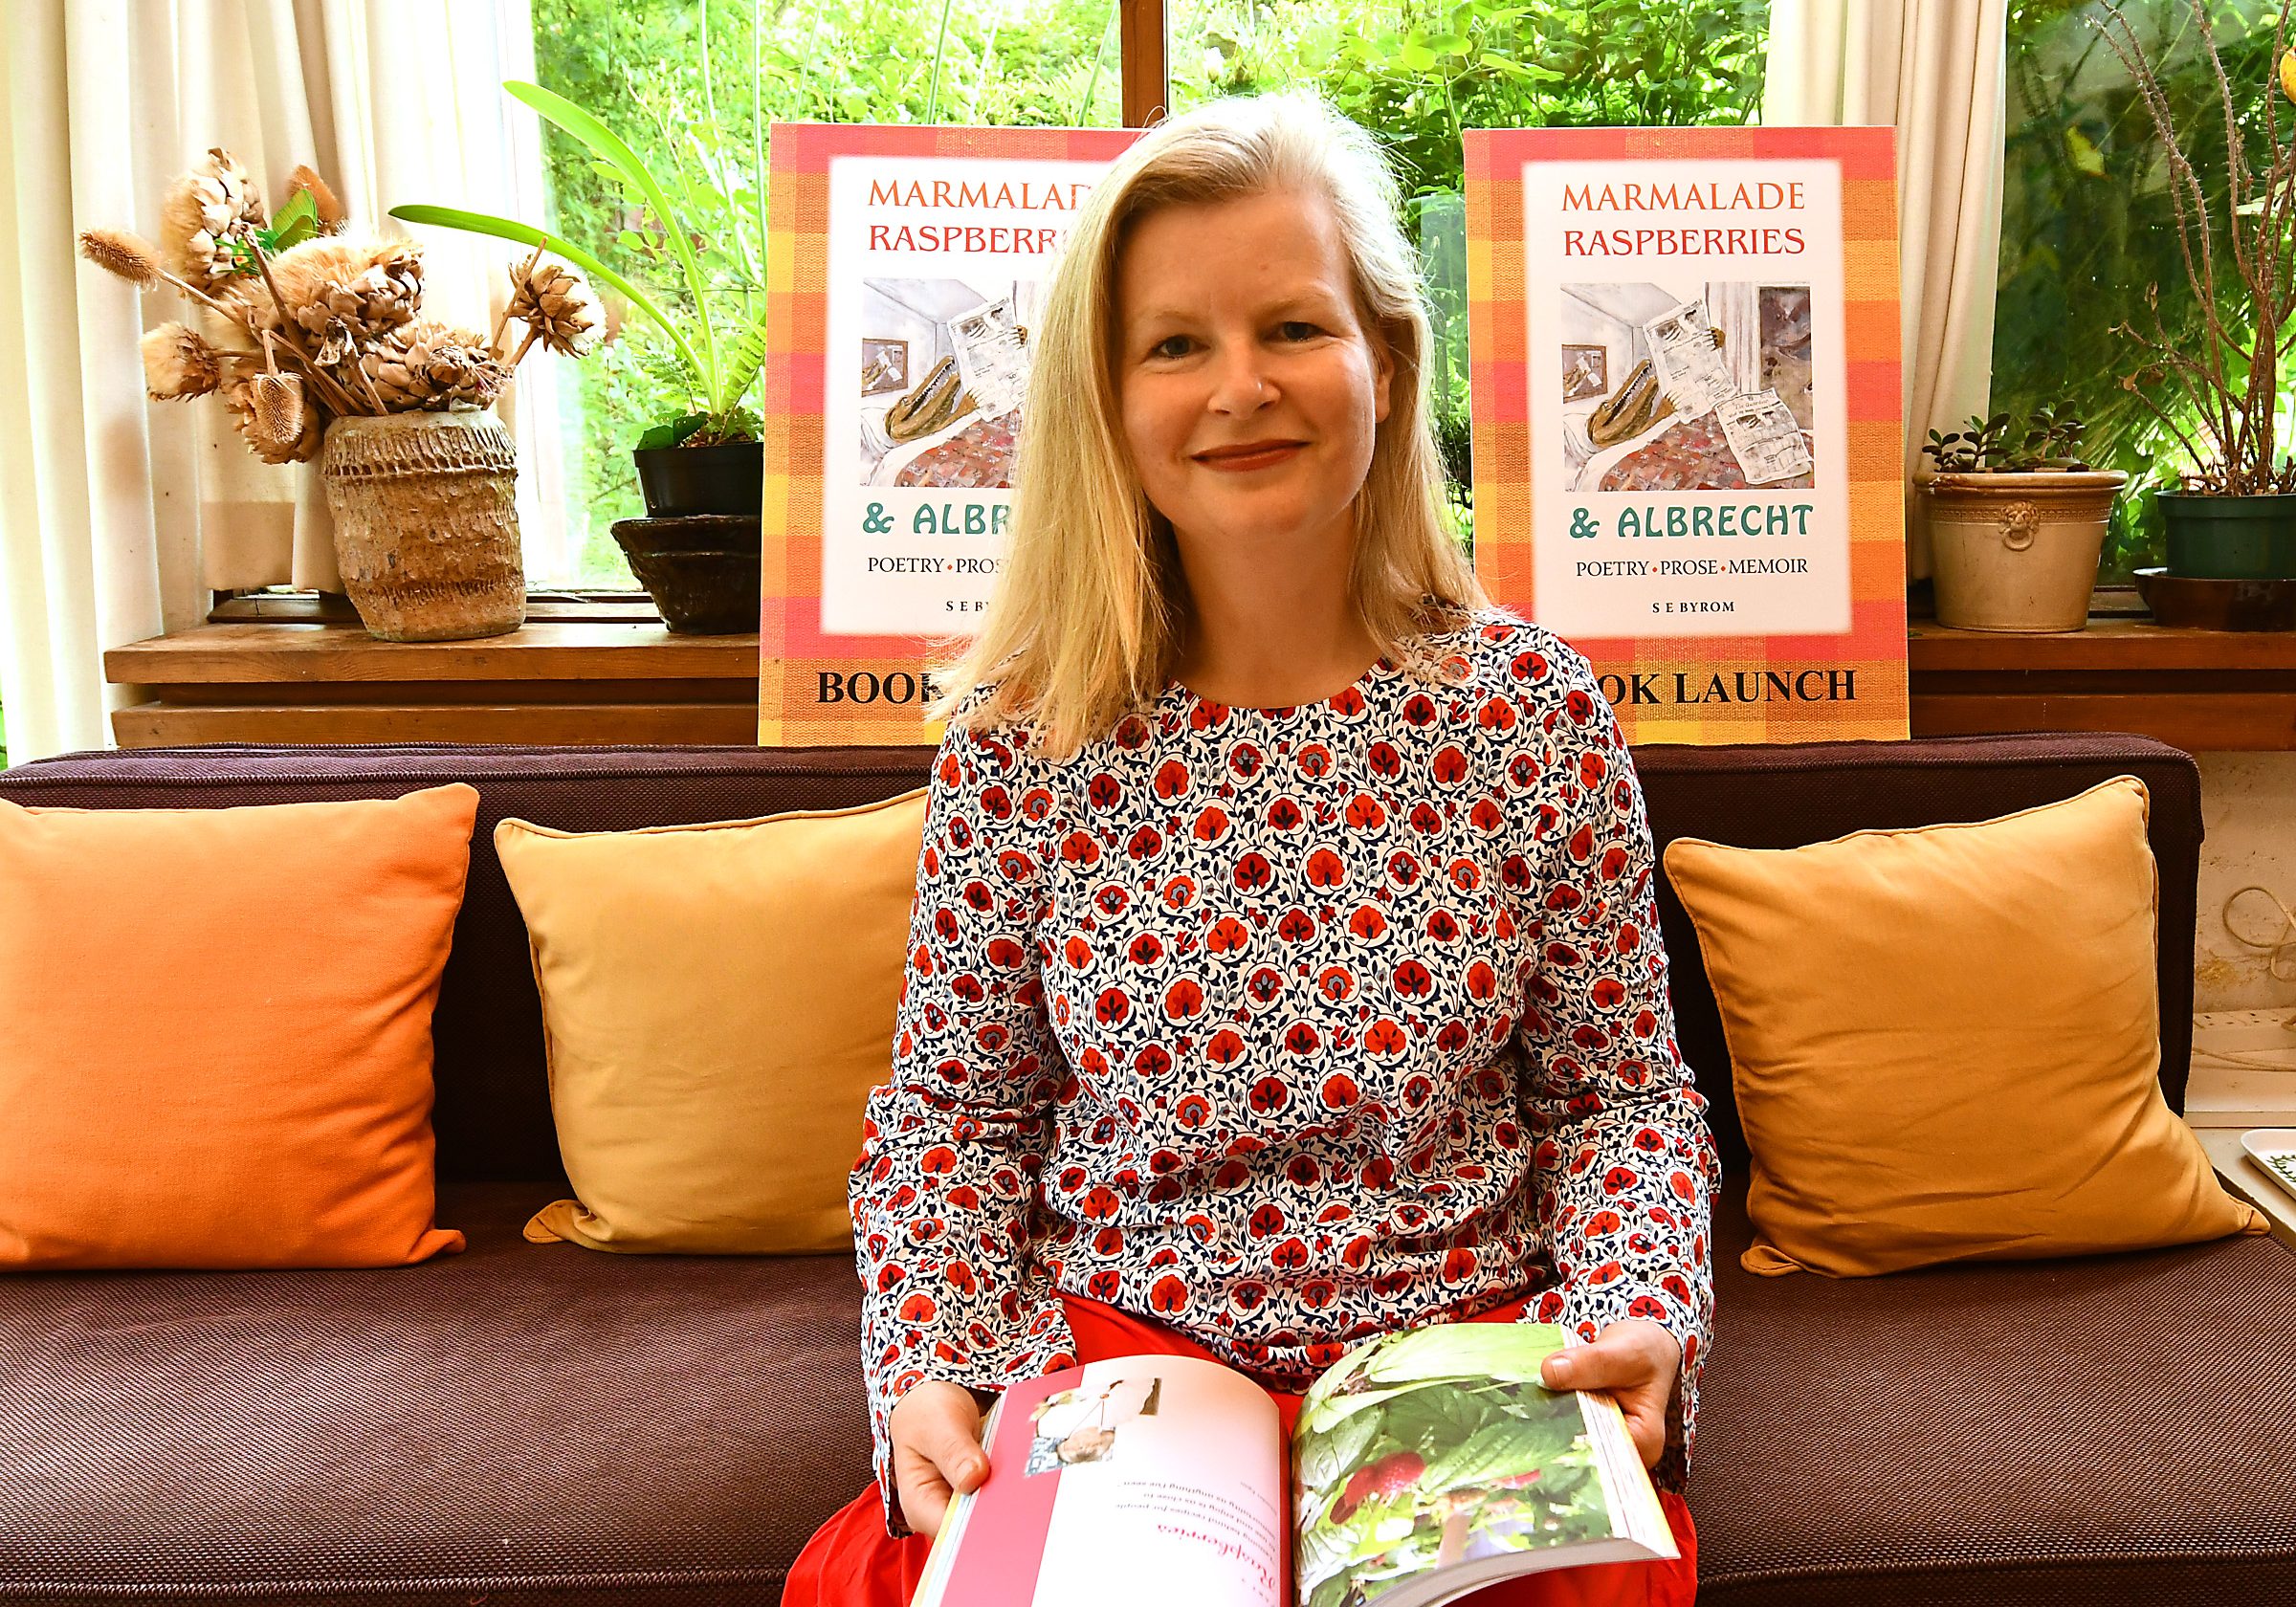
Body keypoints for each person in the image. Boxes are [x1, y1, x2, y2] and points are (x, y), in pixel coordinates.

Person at [784, 90, 1718, 1607]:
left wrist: (1638, 1315)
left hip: (1462, 1362)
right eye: (1175, 344)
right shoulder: (1026, 740)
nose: (1242, 390)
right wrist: (927, 1370)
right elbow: (951, 1118)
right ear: (1105, 399)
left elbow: (1621, 1093)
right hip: (1111, 1373)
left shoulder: (1531, 712)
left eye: (1293, 327)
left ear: (1386, 363)